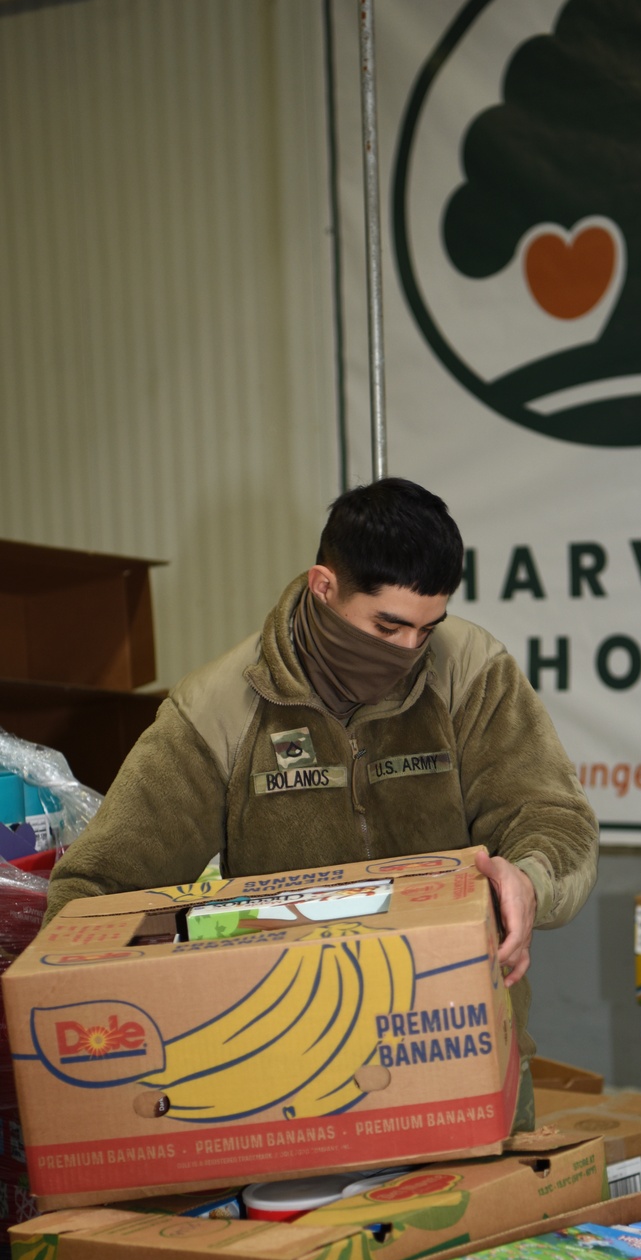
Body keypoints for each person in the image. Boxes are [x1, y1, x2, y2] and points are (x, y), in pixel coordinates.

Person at [44, 476, 600, 1129]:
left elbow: (553, 819)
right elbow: (95, 895)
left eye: (427, 629)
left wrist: (529, 880)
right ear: (323, 586)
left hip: (467, 1054)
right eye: (387, 626)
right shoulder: (220, 708)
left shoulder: (470, 670)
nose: (407, 651)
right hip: (290, 1082)